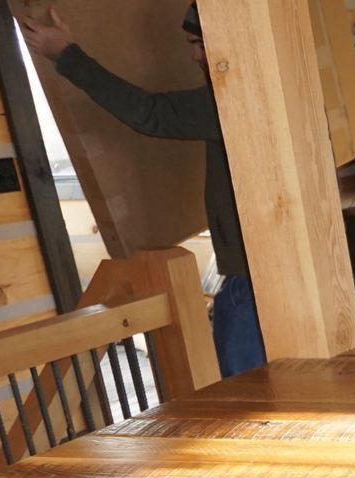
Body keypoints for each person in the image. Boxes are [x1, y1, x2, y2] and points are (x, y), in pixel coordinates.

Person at [19, 3, 267, 376]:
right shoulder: (267, 88)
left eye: (199, 43)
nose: (192, 55)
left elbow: (149, 113)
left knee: (250, 396)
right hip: (261, 275)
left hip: (250, 281)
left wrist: (67, 55)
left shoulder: (233, 98)